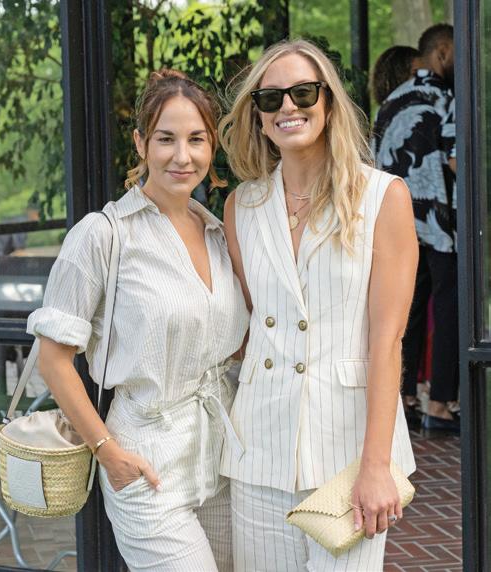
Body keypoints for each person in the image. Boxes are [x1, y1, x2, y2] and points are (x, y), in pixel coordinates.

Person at [27, 69, 249, 571]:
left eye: (196, 139)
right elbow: (53, 360)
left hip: (220, 456)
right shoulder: (103, 235)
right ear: (140, 143)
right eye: (166, 139)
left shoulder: (219, 234)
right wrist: (108, 452)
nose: (182, 156)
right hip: (145, 459)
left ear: (212, 146)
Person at [219, 39, 417, 571]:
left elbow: (387, 341)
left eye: (304, 92)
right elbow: (248, 326)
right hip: (258, 450)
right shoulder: (241, 206)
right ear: (259, 118)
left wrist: (376, 465)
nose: (288, 106)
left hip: (349, 452)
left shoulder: (383, 196)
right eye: (271, 98)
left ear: (328, 102)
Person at [372, 24, 458, 432]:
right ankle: (439, 404)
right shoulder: (446, 98)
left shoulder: (390, 101)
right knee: (449, 304)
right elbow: (457, 160)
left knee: (408, 307)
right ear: (442, 51)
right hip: (439, 221)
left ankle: (405, 397)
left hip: (397, 220)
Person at [0, 203, 40, 273]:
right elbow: (19, 252)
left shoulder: (18, 221)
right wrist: (34, 259)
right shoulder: (22, 224)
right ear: (33, 213)